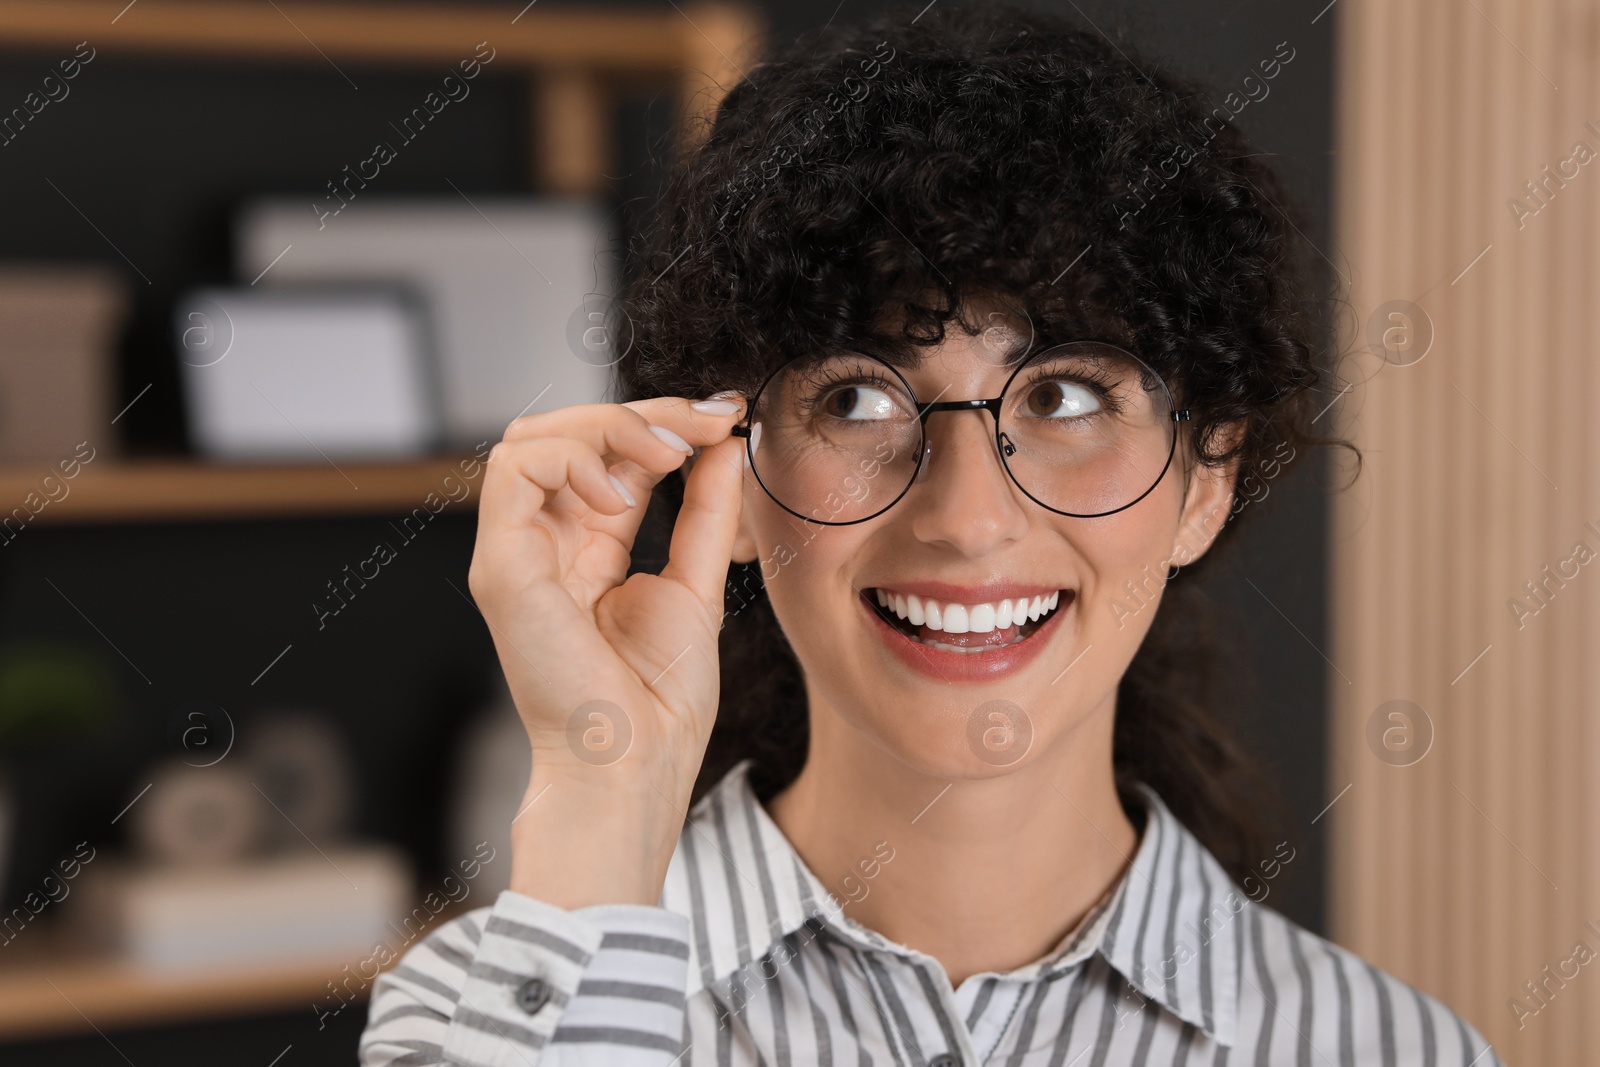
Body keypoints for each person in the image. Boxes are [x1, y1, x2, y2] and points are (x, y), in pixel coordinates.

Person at [359, 4, 1502, 1064]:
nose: (963, 518)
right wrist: (599, 796)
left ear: (1205, 481)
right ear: (732, 474)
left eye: (1063, 397)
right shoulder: (473, 1011)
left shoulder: (1388, 1046)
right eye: (856, 398)